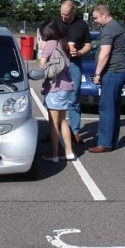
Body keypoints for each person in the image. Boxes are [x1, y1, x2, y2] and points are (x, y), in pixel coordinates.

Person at [88, 5, 125, 153]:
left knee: (106, 108)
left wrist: (97, 74)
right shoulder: (114, 26)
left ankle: (104, 143)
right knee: (113, 107)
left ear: (104, 15)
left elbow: (105, 53)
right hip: (119, 71)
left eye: (96, 18)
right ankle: (111, 141)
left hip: (113, 72)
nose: (95, 21)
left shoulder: (109, 29)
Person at [53, 0, 92, 144]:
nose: (63, 18)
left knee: (74, 98)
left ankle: (75, 132)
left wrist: (80, 53)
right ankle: (54, 130)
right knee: (56, 97)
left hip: (74, 64)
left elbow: (88, 45)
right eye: (62, 14)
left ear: (73, 12)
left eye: (67, 15)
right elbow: (48, 41)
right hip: (58, 64)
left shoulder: (81, 25)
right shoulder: (56, 22)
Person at [39, 21, 75, 162]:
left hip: (55, 87)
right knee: (62, 121)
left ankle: (54, 155)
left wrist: (43, 53)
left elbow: (41, 66)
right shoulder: (63, 43)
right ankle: (69, 152)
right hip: (66, 86)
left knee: (53, 124)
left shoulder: (50, 44)